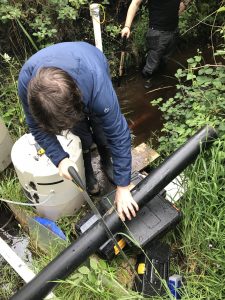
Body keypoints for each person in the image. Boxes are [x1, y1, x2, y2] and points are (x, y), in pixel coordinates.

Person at [18, 41, 139, 222]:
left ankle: (107, 161)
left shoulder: (98, 87)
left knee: (102, 130)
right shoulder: (26, 84)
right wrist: (60, 159)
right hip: (64, 81)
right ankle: (87, 171)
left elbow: (119, 134)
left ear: (78, 101)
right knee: (81, 133)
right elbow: (36, 127)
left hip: (91, 63)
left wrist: (123, 186)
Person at [121, 0, 188, 88]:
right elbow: (135, 3)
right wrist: (127, 26)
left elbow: (183, 3)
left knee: (164, 61)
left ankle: (160, 86)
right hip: (157, 33)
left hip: (173, 31)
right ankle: (144, 89)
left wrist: (184, 4)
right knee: (151, 67)